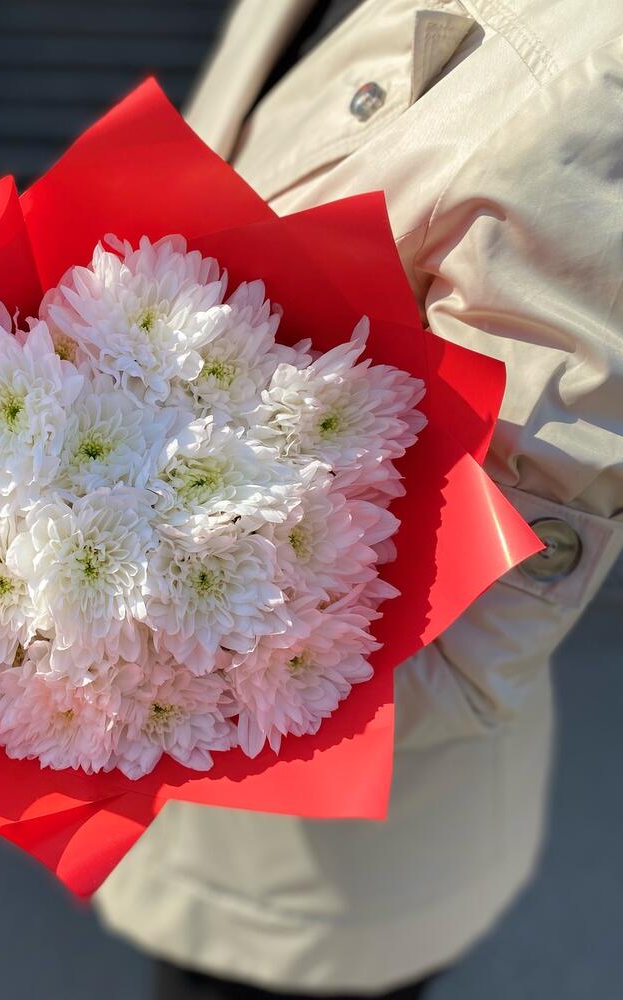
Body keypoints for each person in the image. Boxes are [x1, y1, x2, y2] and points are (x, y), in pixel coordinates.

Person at [94, 1, 623, 996]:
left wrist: (100, 644)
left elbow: (474, 635)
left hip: (323, 876)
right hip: (175, 783)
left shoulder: (599, 76)